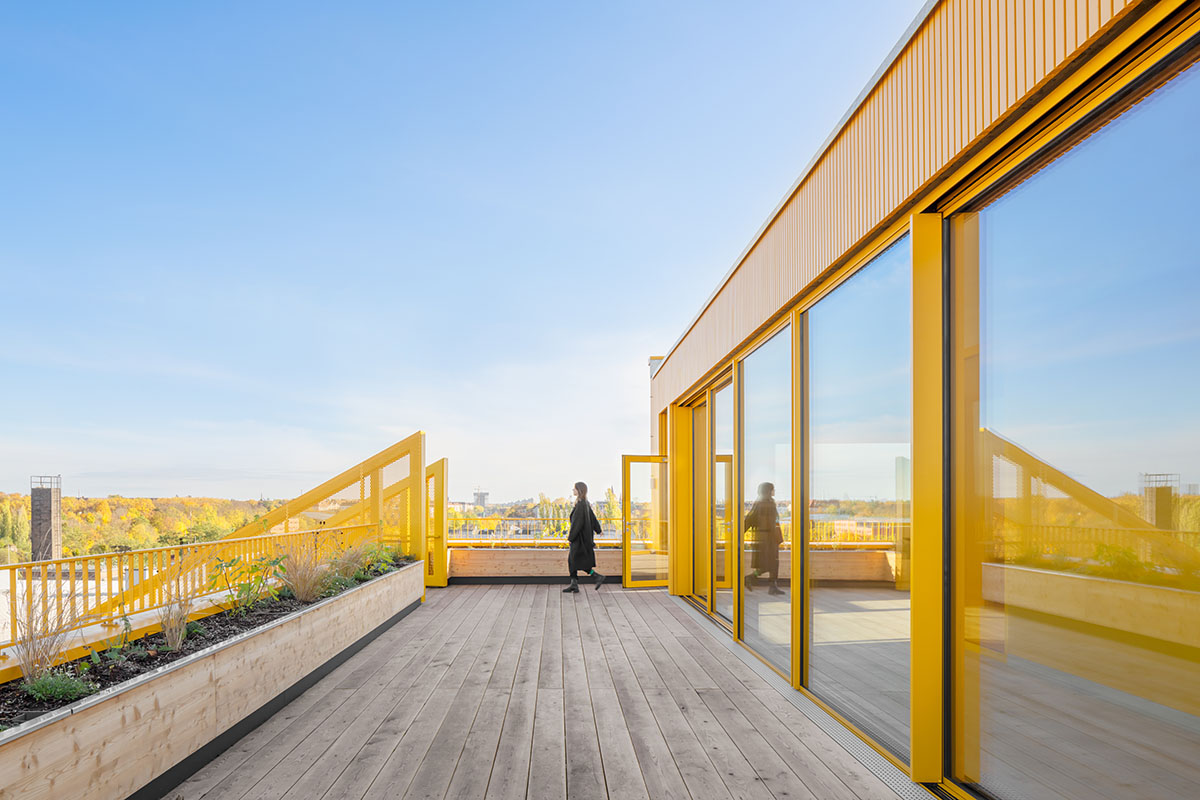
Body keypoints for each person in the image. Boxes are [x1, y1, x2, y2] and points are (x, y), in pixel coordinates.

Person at [744, 482, 784, 595]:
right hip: (767, 539)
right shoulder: (764, 503)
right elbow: (751, 519)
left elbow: (774, 521)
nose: (774, 491)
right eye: (772, 489)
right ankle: (753, 579)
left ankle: (769, 585)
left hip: (770, 537)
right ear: (768, 491)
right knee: (770, 563)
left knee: (772, 563)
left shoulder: (767, 502)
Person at [564, 481, 604, 593]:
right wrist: (598, 529)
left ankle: (594, 577)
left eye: (574, 488)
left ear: (579, 490)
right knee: (574, 561)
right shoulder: (585, 503)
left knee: (573, 561)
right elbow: (593, 517)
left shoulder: (581, 504)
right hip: (583, 538)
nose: (573, 490)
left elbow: (577, 523)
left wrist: (570, 538)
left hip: (579, 539)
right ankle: (575, 584)